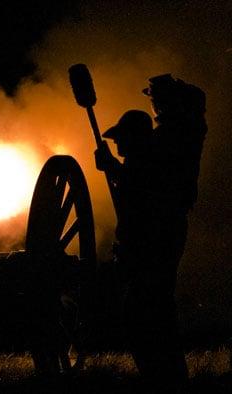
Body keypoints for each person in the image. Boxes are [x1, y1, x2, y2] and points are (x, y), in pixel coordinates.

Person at [95, 75, 206, 392]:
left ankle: (164, 380)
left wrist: (112, 168)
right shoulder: (172, 136)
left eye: (158, 98)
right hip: (155, 231)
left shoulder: (172, 137)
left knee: (147, 309)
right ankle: (165, 378)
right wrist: (115, 168)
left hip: (156, 232)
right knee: (151, 309)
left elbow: (146, 184)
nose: (154, 103)